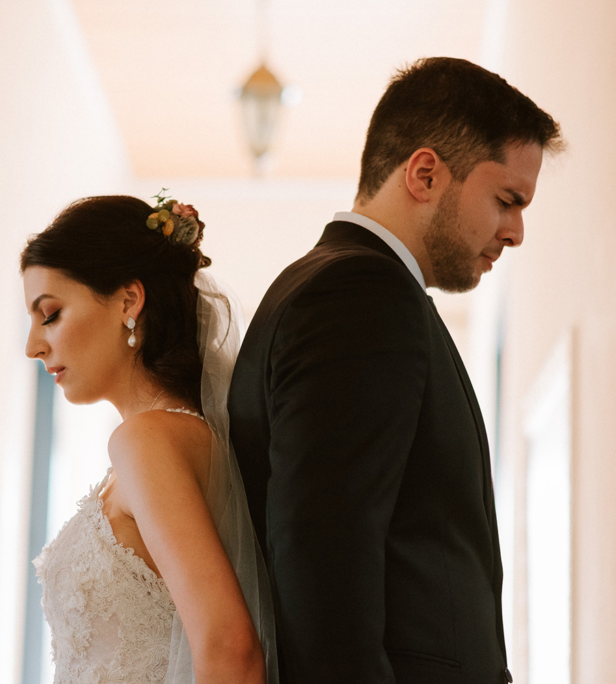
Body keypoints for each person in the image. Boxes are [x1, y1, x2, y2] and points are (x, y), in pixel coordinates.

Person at [228, 57, 563, 684]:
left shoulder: (345, 287)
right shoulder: (359, 295)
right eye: (506, 200)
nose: (515, 231)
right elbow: (323, 560)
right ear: (426, 173)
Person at [21, 194, 276, 684]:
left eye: (49, 314)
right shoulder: (176, 436)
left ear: (128, 301)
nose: (33, 346)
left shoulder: (146, 441)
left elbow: (231, 651)